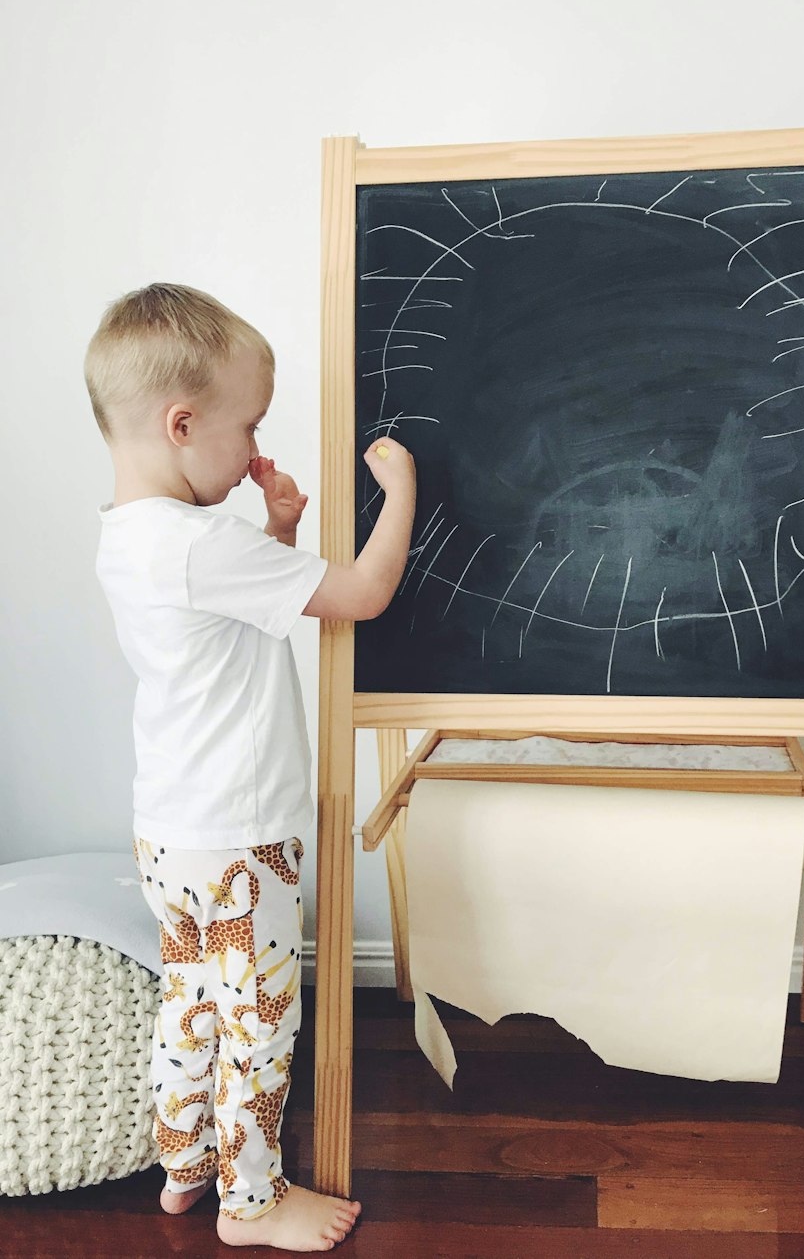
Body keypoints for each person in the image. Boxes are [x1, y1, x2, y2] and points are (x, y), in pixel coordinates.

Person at [85, 282, 416, 1251]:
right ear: (183, 423)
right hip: (243, 840)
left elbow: (229, 616)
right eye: (251, 426)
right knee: (262, 1018)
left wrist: (273, 534)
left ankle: (185, 1166)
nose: (257, 447)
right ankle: (254, 1201)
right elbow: (361, 593)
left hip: (172, 832)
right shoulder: (201, 545)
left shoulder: (133, 538)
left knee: (190, 999)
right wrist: (398, 495)